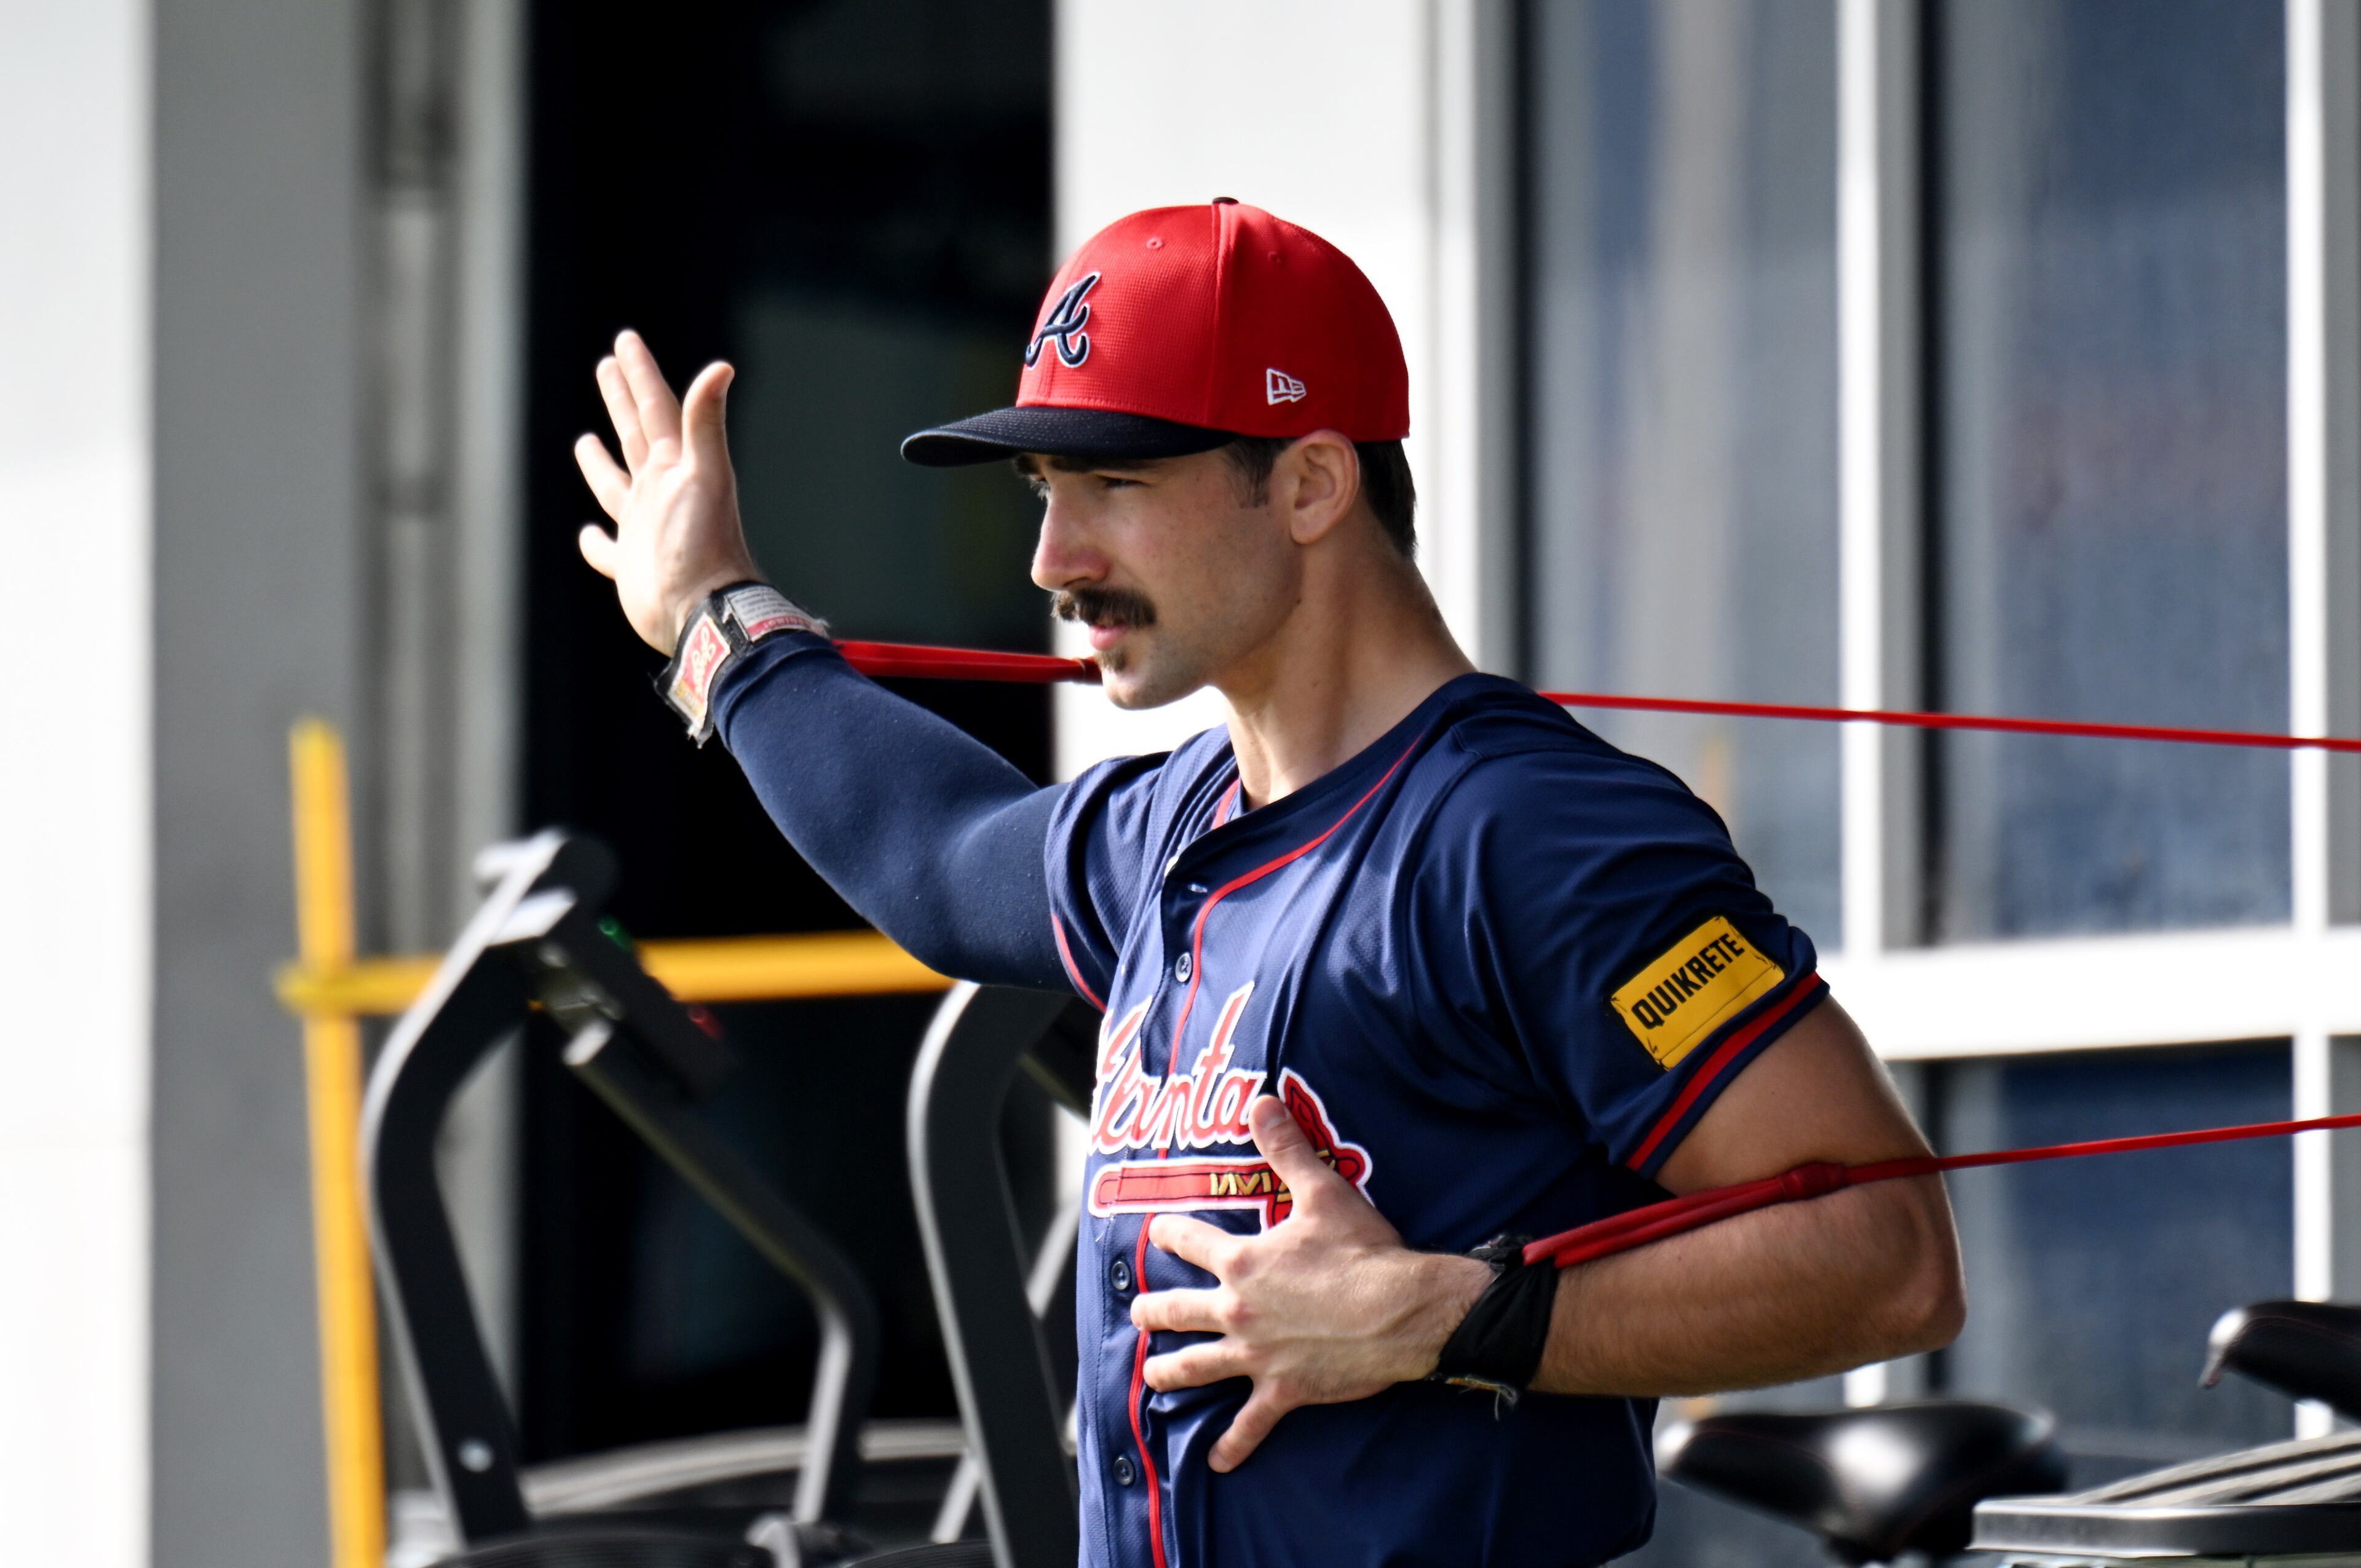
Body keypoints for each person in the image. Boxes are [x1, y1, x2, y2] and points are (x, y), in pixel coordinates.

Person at [572, 199, 1964, 1568]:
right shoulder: (1168, 826)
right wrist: (716, 617)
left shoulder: (1532, 835)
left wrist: (1444, 1319)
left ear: (1309, 484)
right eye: (1044, 495)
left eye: (1115, 484)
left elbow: (1884, 1252)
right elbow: (935, 861)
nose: (1054, 562)